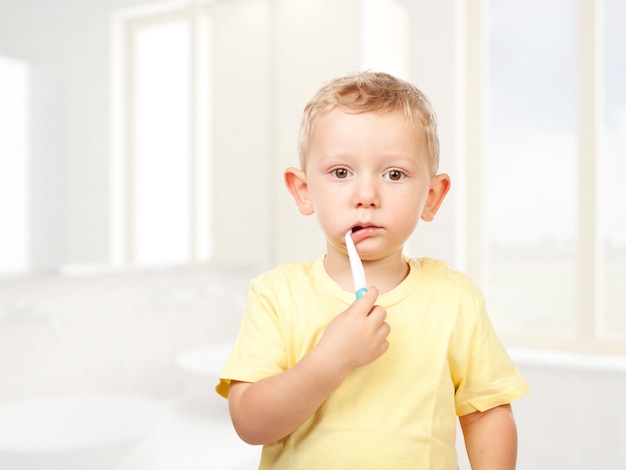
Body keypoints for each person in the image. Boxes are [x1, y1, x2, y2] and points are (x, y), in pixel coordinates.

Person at [216, 71, 530, 469]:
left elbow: (486, 413)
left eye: (394, 174)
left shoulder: (454, 298)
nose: (366, 196)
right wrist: (329, 360)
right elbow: (250, 424)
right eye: (341, 173)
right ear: (303, 190)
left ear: (431, 197)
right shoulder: (276, 295)